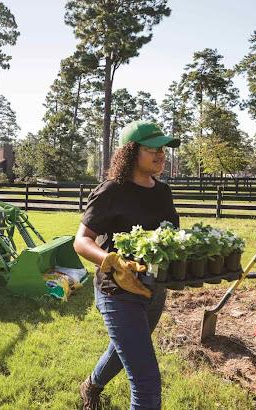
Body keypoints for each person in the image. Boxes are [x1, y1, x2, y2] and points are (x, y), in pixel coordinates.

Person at [73, 121, 180, 410]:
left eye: (163, 150)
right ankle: (93, 387)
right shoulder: (112, 190)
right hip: (116, 291)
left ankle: (91, 386)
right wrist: (112, 260)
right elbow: (81, 241)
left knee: (124, 350)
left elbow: (168, 237)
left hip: (153, 290)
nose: (161, 155)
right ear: (131, 152)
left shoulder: (163, 191)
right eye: (152, 150)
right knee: (146, 382)